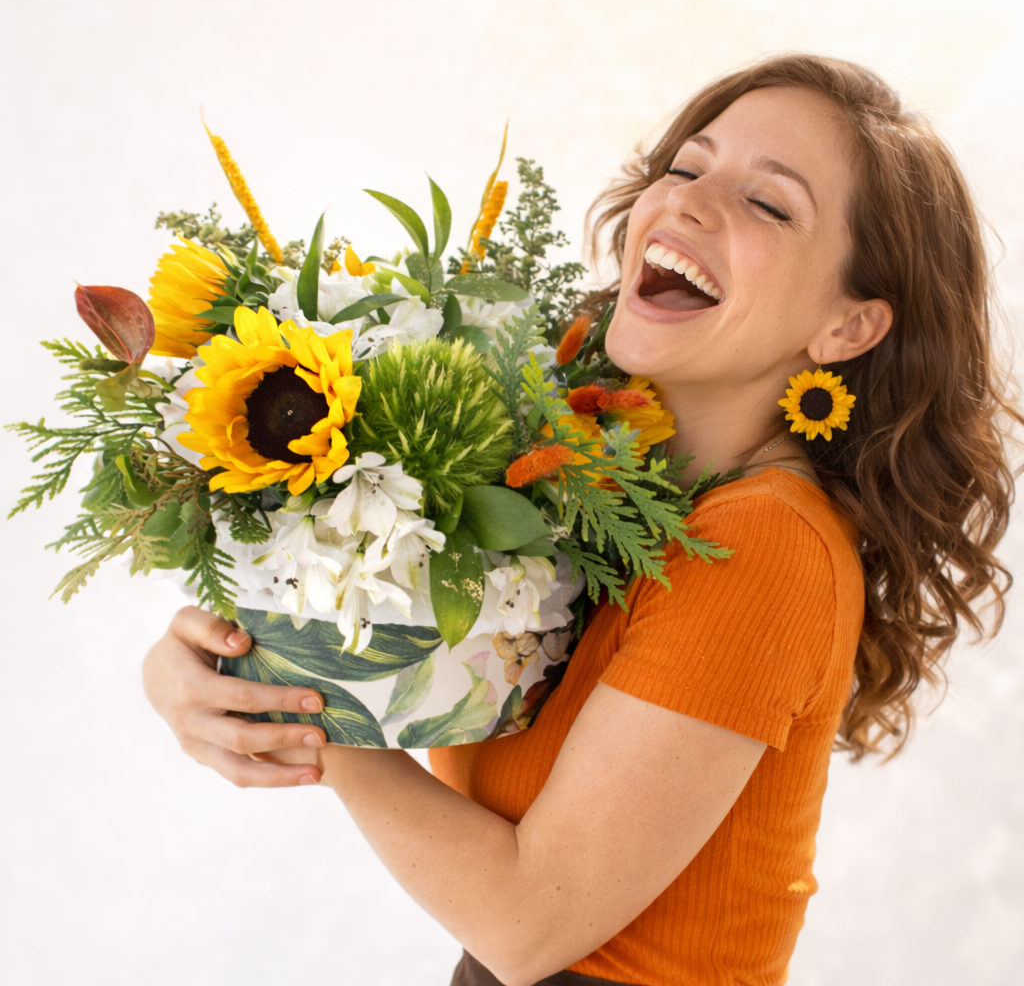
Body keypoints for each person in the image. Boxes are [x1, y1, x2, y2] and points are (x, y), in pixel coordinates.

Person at [143, 55, 1019, 986]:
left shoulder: (764, 542)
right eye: (685, 168)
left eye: (770, 204)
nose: (683, 204)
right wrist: (220, 668)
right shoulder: (586, 487)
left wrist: (298, 702)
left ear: (848, 328)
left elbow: (527, 925)